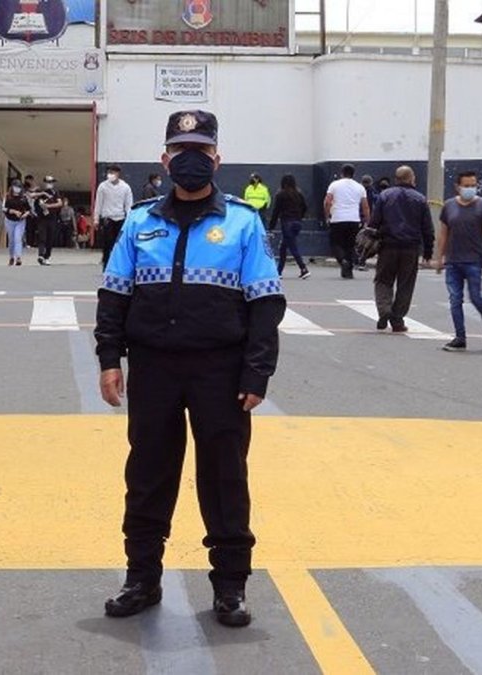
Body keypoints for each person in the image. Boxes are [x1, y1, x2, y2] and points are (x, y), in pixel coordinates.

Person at [95, 110, 285, 628]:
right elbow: (113, 296)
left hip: (220, 373)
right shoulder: (140, 222)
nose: (191, 160)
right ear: (165, 159)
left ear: (217, 159)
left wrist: (256, 372)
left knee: (224, 477)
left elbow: (266, 304)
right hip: (153, 367)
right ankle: (142, 578)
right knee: (148, 473)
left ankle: (230, 588)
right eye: (182, 151)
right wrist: (109, 360)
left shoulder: (244, 222)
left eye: (201, 151)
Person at [434, 171, 482, 351]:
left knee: (476, 297)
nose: (470, 188)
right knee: (455, 299)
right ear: (458, 186)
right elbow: (443, 234)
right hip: (453, 261)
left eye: (473, 185)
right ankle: (460, 337)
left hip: (474, 260)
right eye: (467, 185)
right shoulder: (449, 206)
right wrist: (439, 258)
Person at [370, 166, 435, 333]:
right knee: (406, 284)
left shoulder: (385, 196)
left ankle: (384, 310)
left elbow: (374, 222)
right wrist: (428, 251)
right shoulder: (420, 199)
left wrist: (371, 241)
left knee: (383, 280)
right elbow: (427, 228)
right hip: (410, 248)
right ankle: (397, 319)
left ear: (396, 178)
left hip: (387, 246)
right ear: (412, 178)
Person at [324, 164, 371, 279]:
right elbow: (365, 206)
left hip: (337, 218)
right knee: (349, 246)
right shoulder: (360, 187)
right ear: (353, 174)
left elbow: (327, 202)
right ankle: (348, 272)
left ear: (342, 173)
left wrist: (327, 215)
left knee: (335, 243)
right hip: (354, 219)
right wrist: (367, 220)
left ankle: (342, 260)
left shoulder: (334, 185)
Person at [269, 174, 309, 279]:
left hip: (287, 223)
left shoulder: (280, 195)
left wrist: (271, 227)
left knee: (292, 247)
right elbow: (305, 207)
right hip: (297, 223)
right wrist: (300, 217)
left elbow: (276, 211)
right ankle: (278, 272)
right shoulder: (299, 194)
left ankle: (303, 268)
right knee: (283, 247)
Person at [95, 164, 134, 267]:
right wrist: (96, 219)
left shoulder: (125, 187)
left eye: (113, 172)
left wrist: (129, 219)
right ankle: (106, 265)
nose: (110, 175)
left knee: (120, 244)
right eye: (109, 172)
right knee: (107, 243)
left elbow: (128, 205)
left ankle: (119, 266)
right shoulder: (103, 186)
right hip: (107, 218)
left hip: (120, 218)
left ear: (118, 173)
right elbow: (98, 203)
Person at [36, 175, 64, 265]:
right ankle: (40, 255)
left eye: (51, 182)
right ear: (44, 183)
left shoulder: (55, 192)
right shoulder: (41, 192)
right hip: (42, 218)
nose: (50, 184)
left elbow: (60, 203)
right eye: (48, 182)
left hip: (52, 218)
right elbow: (31, 196)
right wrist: (41, 194)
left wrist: (48, 206)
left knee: (50, 238)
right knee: (42, 237)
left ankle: (47, 256)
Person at [3, 180, 31, 265]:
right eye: (15, 187)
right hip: (9, 220)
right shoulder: (7, 197)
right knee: (11, 240)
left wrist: (25, 214)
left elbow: (29, 209)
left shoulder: (23, 198)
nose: (17, 189)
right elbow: (4, 208)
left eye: (19, 187)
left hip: (20, 221)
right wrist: (13, 211)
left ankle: (18, 257)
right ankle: (11, 257)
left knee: (17, 238)